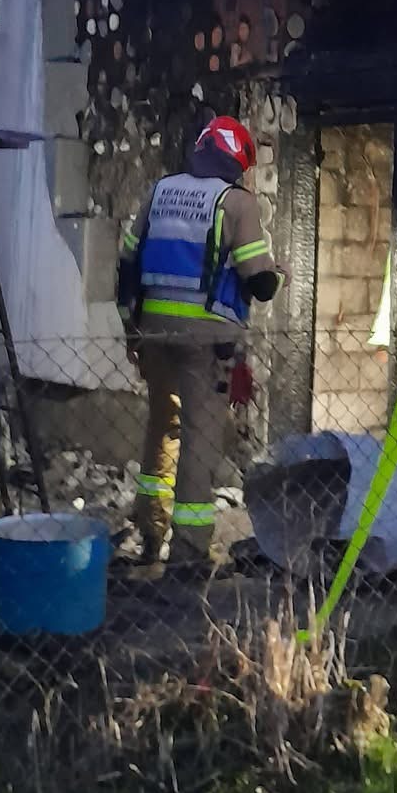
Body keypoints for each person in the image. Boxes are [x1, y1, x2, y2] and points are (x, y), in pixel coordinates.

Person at [116, 115, 283, 572]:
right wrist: (278, 274)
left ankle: (150, 528)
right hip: (206, 340)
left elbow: (127, 262)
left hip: (153, 330)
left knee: (162, 425)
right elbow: (259, 282)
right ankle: (189, 553)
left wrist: (131, 327)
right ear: (238, 162)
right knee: (199, 437)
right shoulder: (237, 203)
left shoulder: (160, 191)